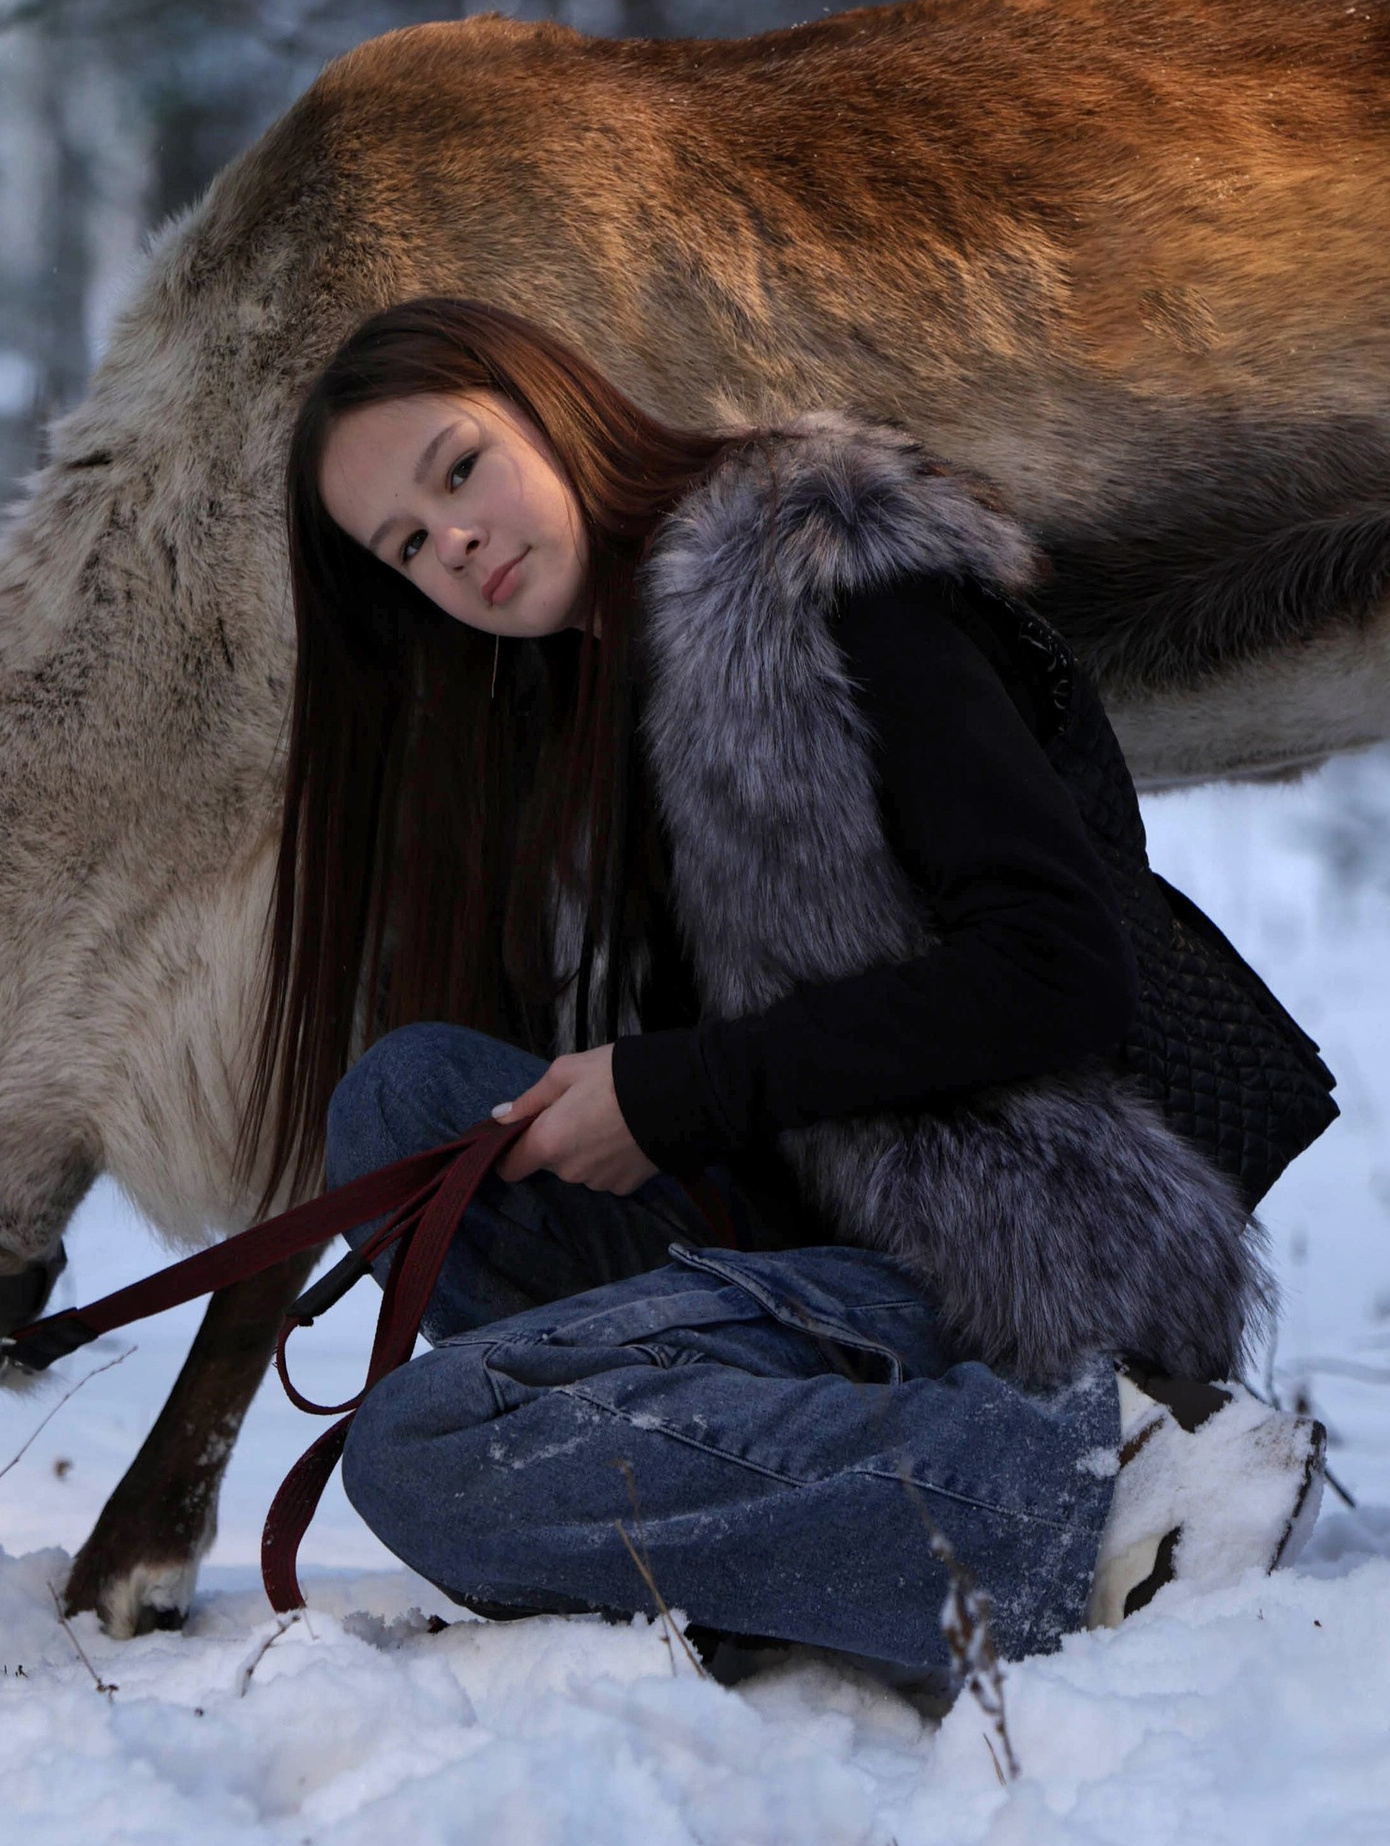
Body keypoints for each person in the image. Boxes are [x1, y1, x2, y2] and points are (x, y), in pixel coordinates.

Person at [251, 297, 1329, 1683]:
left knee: (420, 1451)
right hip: (790, 1245)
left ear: (554, 406)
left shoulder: (826, 590)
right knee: (408, 1106)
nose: (451, 540)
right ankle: (783, 1537)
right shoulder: (566, 707)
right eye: (406, 543)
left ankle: (1110, 1484)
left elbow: (1059, 974)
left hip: (1002, 1267)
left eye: (459, 469)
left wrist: (675, 1091)